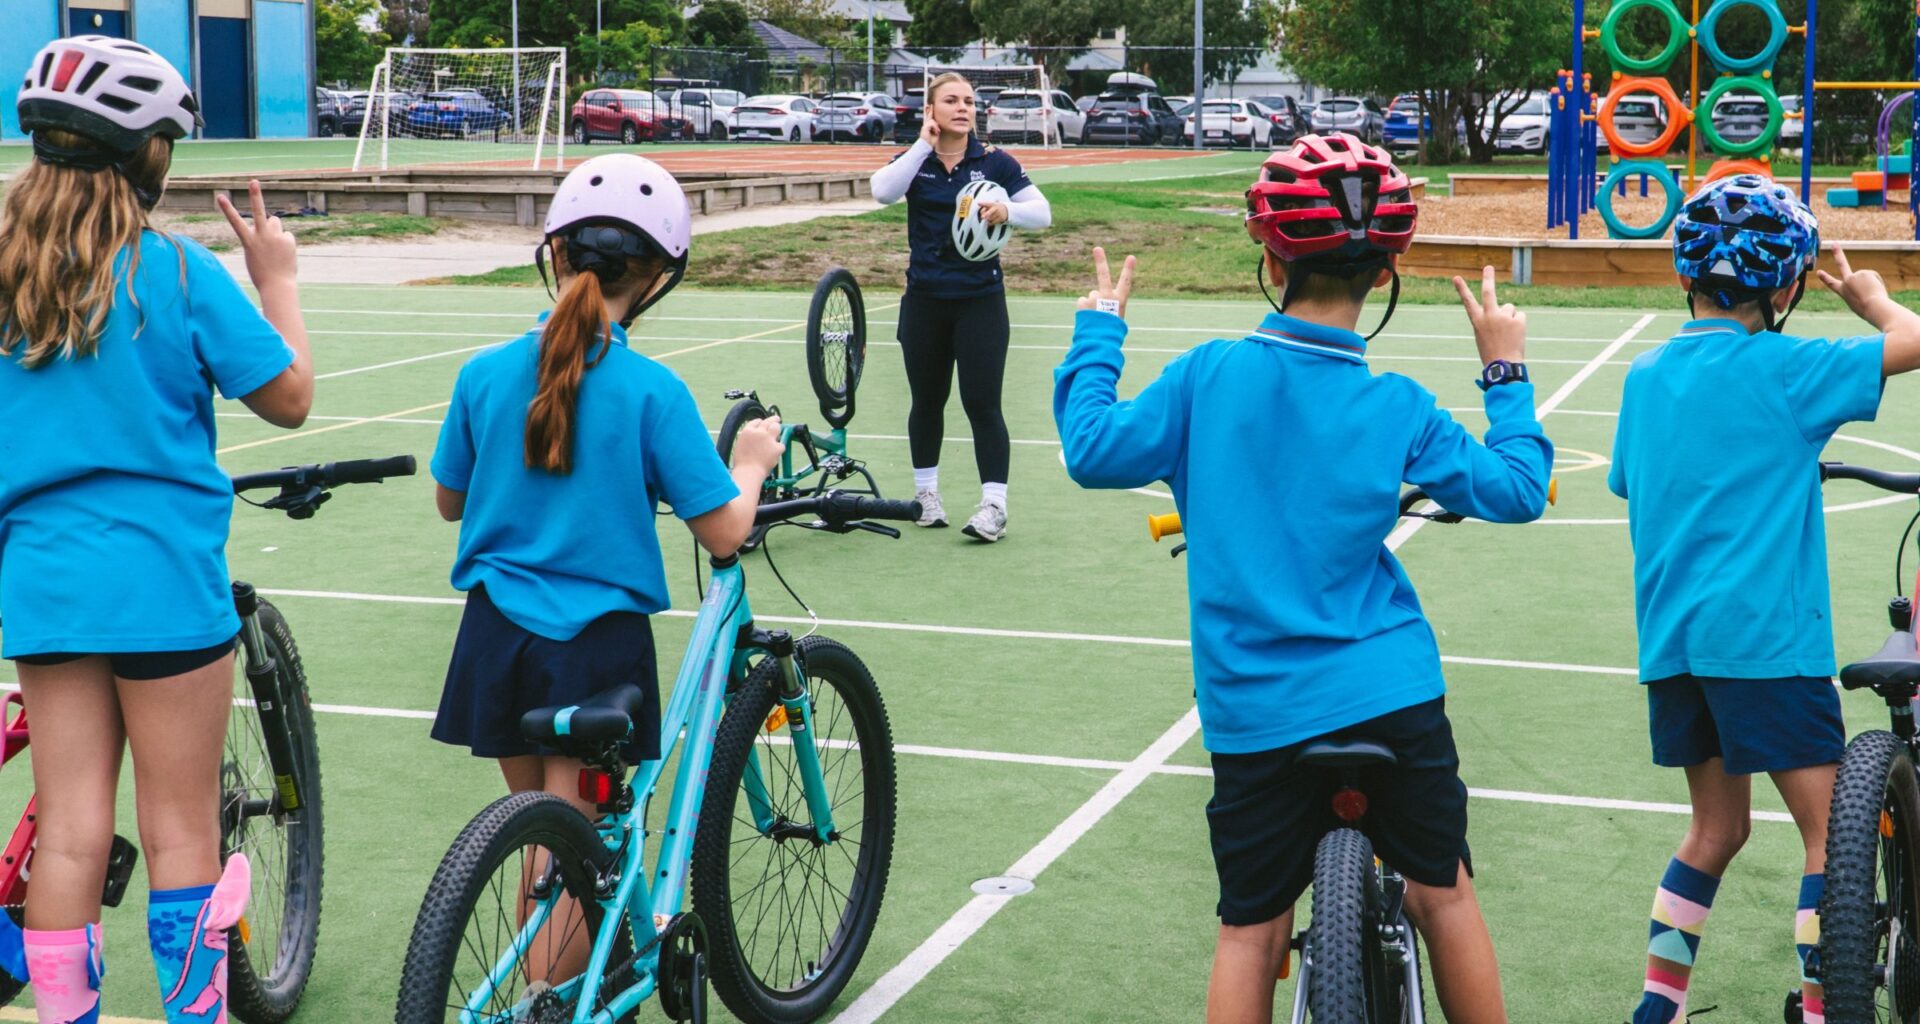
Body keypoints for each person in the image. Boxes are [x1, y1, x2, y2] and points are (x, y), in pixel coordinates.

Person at [1055, 133, 1552, 1024]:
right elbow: (1517, 490)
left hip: (1257, 711)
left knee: (1250, 932)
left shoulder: (1208, 376)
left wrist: (1100, 329)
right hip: (1389, 690)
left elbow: (1091, 449)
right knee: (1444, 898)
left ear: (1271, 251)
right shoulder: (1398, 403)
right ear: (1387, 268)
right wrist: (1504, 370)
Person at [0, 36, 314, 1023]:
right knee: (180, 830)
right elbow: (290, 399)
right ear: (147, 157)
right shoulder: (178, 274)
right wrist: (277, 280)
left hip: (45, 581)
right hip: (166, 584)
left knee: (71, 835)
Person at [427, 153, 782, 990]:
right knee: (564, 861)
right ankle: (548, 1004)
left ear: (554, 254)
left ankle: (542, 991)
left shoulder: (483, 374)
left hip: (496, 638)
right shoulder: (651, 390)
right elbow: (726, 531)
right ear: (657, 276)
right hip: (592, 653)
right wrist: (755, 462)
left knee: (541, 840)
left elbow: (449, 501)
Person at [1608, 174, 1920, 1024]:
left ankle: (1659, 1007)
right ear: (1786, 286)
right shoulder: (1789, 368)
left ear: (1685, 274)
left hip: (1675, 644)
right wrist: (1871, 299)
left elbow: (1634, 483)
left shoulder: (1644, 375)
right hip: (1768, 647)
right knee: (1832, 842)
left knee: (1715, 831)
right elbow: (1915, 340)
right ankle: (1829, 1008)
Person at [868, 72, 1053, 542]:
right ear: (931, 110)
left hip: (980, 303)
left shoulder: (994, 163)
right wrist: (921, 145)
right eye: (950, 100)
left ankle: (994, 506)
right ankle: (926, 497)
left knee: (982, 405)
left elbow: (1044, 213)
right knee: (927, 403)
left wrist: (1009, 210)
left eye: (969, 101)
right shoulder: (918, 162)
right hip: (925, 302)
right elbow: (882, 191)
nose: (963, 108)